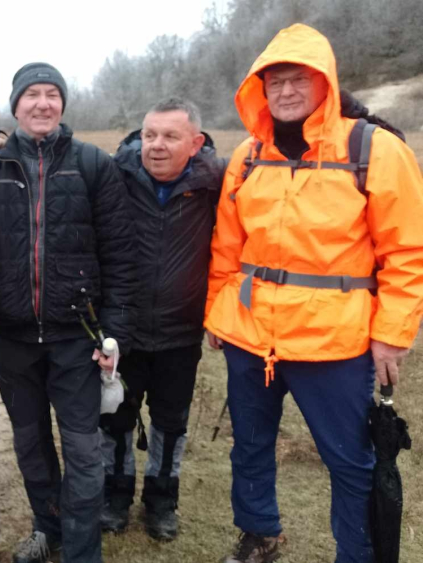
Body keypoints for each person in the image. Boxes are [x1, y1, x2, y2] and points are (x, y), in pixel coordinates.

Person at [206, 24, 423, 563]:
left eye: (298, 79)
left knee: (351, 461)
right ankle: (260, 534)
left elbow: (407, 253)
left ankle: (358, 554)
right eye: (274, 81)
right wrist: (218, 313)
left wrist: (392, 337)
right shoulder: (248, 156)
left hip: (335, 342)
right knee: (250, 446)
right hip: (251, 337)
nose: (284, 91)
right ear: (260, 90)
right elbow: (227, 247)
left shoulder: (375, 149)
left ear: (325, 81)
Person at [0, 62, 136, 563]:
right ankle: (50, 528)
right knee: (30, 445)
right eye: (32, 95)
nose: (42, 103)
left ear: (62, 103)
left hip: (76, 340)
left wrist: (114, 335)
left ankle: (83, 551)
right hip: (16, 339)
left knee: (83, 450)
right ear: (15, 104)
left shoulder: (93, 165)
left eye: (52, 95)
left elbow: (120, 256)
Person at [99, 97, 225, 540]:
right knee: (114, 418)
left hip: (180, 332)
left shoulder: (217, 182)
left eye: (170, 136)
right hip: (123, 329)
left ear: (196, 142)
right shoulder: (116, 176)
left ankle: (161, 501)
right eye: (149, 134)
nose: (156, 145)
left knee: (170, 423)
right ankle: (114, 496)